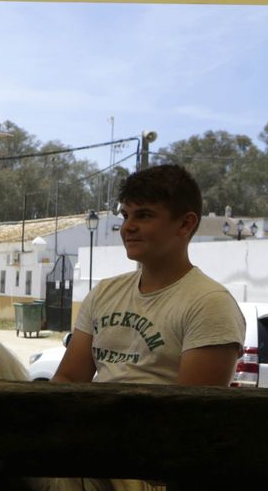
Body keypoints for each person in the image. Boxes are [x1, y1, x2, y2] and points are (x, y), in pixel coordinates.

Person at [51, 164, 243, 386]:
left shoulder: (210, 304)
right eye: (125, 216)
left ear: (185, 224)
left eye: (144, 215)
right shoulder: (103, 293)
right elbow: (68, 379)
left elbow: (194, 405)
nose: (127, 227)